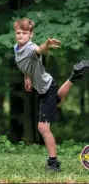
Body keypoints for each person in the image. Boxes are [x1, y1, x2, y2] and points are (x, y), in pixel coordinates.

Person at [13, 18, 89, 172]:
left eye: (24, 33)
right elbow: (26, 63)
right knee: (57, 101)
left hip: (46, 89)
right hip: (47, 86)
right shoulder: (17, 48)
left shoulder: (30, 48)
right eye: (18, 33)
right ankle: (74, 75)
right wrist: (27, 76)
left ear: (30, 35)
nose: (20, 36)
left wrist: (46, 46)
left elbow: (37, 51)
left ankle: (53, 163)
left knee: (42, 127)